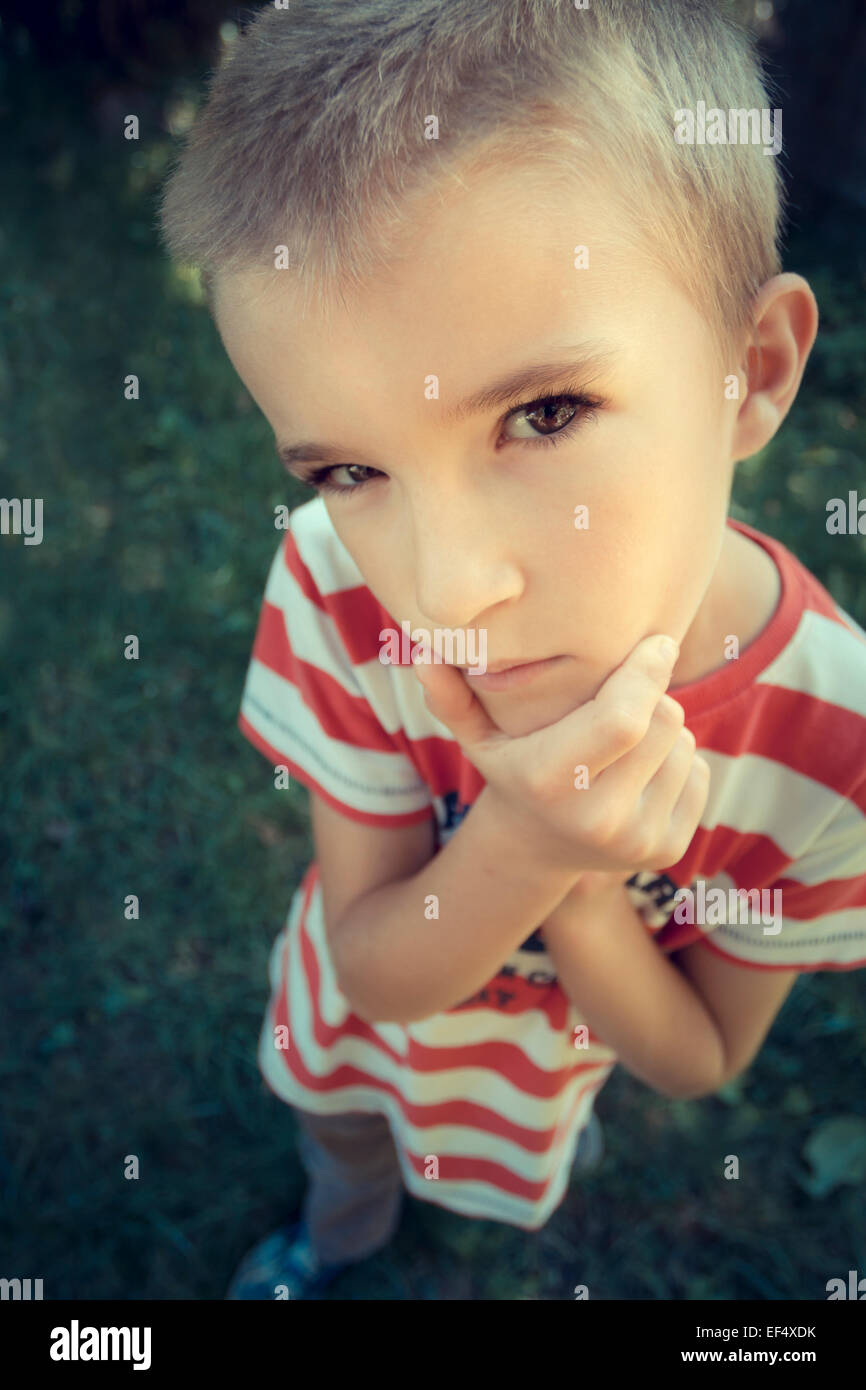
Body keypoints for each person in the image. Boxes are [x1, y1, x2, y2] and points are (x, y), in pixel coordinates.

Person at [158, 0, 866, 1300]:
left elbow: (699, 1050)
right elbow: (372, 967)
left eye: (543, 414)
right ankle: (336, 1237)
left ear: (751, 369)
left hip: (542, 1071)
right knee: (348, 1136)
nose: (448, 584)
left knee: (502, 1136)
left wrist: (581, 893)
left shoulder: (834, 745)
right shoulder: (335, 583)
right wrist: (526, 843)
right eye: (351, 467)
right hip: (361, 1041)